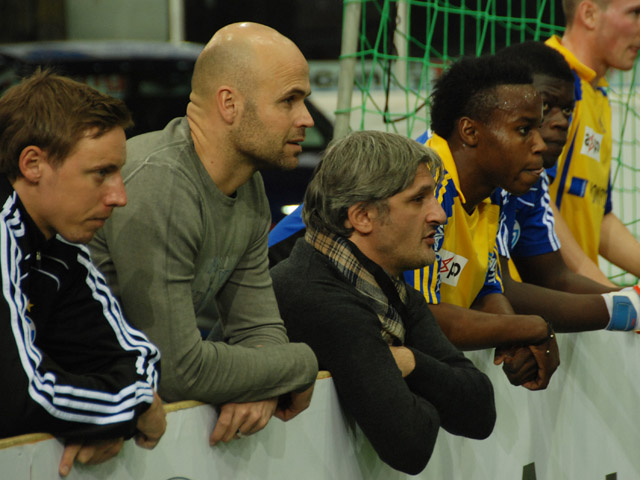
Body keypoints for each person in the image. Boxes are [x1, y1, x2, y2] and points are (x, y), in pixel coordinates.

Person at [89, 22, 318, 446]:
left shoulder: (248, 185)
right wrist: (301, 363)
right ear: (229, 104)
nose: (306, 118)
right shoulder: (161, 183)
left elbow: (258, 331)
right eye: (289, 100)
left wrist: (261, 383)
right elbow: (176, 371)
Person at [270, 131, 496, 475]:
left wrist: (409, 361)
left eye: (433, 197)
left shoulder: (388, 287)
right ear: (362, 217)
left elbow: (480, 413)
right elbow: (412, 445)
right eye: (418, 200)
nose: (439, 214)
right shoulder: (320, 299)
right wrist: (431, 384)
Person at [0, 70, 166, 477]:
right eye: (101, 173)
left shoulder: (57, 243)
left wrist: (109, 414)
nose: (119, 196)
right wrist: (131, 409)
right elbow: (22, 398)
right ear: (33, 164)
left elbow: (136, 357)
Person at [406, 55, 563, 390]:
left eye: (537, 128)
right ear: (470, 131)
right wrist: (533, 328)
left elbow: (486, 288)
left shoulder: (492, 193)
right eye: (524, 130)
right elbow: (422, 319)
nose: (539, 144)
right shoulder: (423, 184)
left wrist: (516, 336)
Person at [490, 41, 640, 335]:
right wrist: (623, 306)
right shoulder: (445, 176)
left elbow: (554, 276)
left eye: (569, 111)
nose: (560, 122)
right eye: (546, 108)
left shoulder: (530, 177)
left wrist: (627, 299)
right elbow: (496, 291)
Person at [545, 0, 640, 280]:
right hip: (536, 293)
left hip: (571, 292)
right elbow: (535, 204)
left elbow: (600, 217)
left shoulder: (596, 92)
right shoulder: (549, 82)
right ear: (589, 14)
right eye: (635, 13)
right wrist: (608, 296)